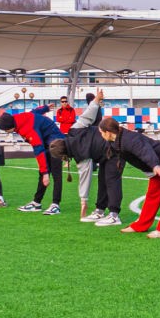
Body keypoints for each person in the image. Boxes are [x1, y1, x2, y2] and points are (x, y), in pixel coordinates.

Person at [48, 90, 123, 225]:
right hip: (107, 153)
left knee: (111, 181)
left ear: (64, 155)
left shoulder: (80, 157)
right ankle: (100, 210)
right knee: (102, 180)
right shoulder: (74, 130)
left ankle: (114, 215)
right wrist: (96, 100)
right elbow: (87, 115)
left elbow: (85, 179)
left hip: (116, 149)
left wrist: (84, 202)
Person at [99, 116, 160, 236]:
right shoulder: (115, 141)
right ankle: (141, 225)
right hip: (155, 166)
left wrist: (155, 165)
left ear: (108, 132)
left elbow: (144, 150)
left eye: (101, 132)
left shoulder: (129, 139)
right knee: (152, 195)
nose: (101, 135)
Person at [0, 102, 67, 214]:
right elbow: (34, 112)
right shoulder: (17, 119)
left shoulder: (28, 129)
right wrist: (46, 108)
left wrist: (45, 173)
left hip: (56, 141)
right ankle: (36, 203)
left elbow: (39, 150)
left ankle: (55, 205)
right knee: (43, 173)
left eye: (6, 130)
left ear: (10, 127)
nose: (6, 132)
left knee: (56, 174)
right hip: (46, 141)